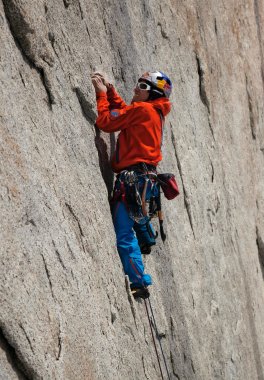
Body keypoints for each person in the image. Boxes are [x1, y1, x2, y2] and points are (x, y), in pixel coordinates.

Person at [91, 71, 172, 298]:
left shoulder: (143, 110)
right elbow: (127, 114)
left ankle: (139, 280)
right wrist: (112, 92)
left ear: (153, 94)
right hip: (144, 181)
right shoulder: (153, 112)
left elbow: (106, 122)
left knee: (124, 233)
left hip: (132, 181)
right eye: (139, 83)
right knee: (132, 222)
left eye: (143, 87)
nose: (136, 88)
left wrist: (101, 95)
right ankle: (144, 240)